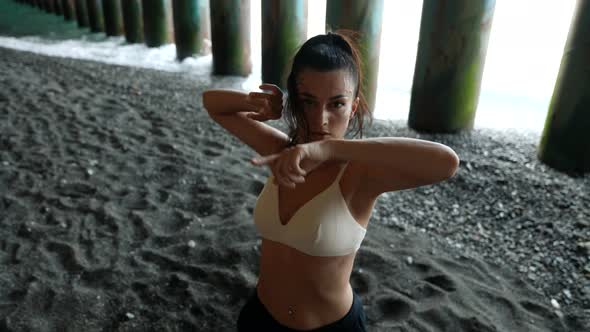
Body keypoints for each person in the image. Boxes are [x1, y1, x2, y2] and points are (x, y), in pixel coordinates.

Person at [202, 31, 459, 331]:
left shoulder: (361, 175)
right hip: (260, 318)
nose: (320, 119)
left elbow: (446, 162)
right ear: (295, 101)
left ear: (353, 107)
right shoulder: (282, 152)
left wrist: (330, 148)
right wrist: (251, 100)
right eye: (308, 102)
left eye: (336, 104)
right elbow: (212, 104)